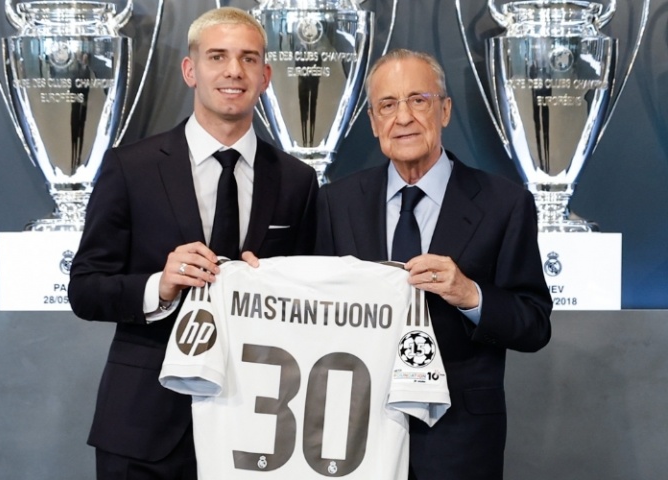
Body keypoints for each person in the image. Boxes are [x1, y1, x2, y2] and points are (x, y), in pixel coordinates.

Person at [68, 7, 318, 479]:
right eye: (217, 56)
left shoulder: (296, 181)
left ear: (265, 76)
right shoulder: (131, 168)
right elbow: (84, 288)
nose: (233, 71)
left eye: (248, 59)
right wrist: (158, 287)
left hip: (259, 426)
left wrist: (276, 285)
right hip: (145, 426)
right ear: (190, 70)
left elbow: (310, 301)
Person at [314, 48, 552, 480]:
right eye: (388, 105)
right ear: (373, 122)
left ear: (444, 110)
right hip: (355, 433)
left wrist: (470, 294)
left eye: (418, 100)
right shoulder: (335, 203)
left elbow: (534, 325)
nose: (403, 117)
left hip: (459, 441)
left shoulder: (504, 204)